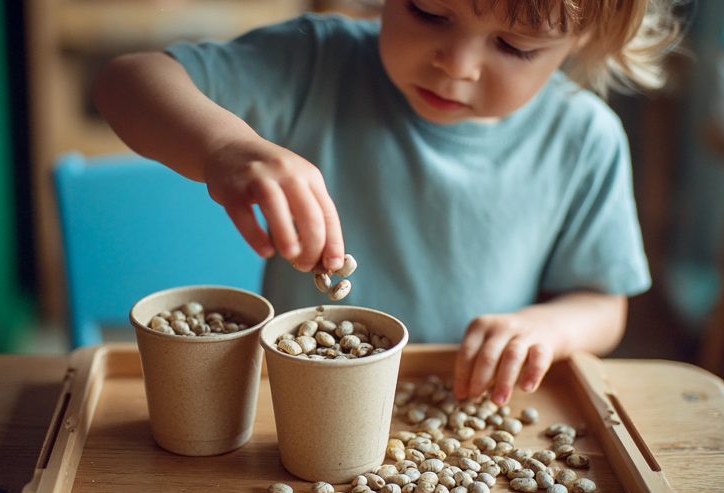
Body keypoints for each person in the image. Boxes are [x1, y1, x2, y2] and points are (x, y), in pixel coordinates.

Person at [93, 0, 680, 405]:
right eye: (428, 11)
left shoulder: (583, 139)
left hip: (462, 412)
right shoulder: (316, 64)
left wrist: (545, 329)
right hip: (290, 410)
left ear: (580, 41)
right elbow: (125, 82)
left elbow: (605, 304)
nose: (458, 64)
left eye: (515, 45)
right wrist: (224, 147)